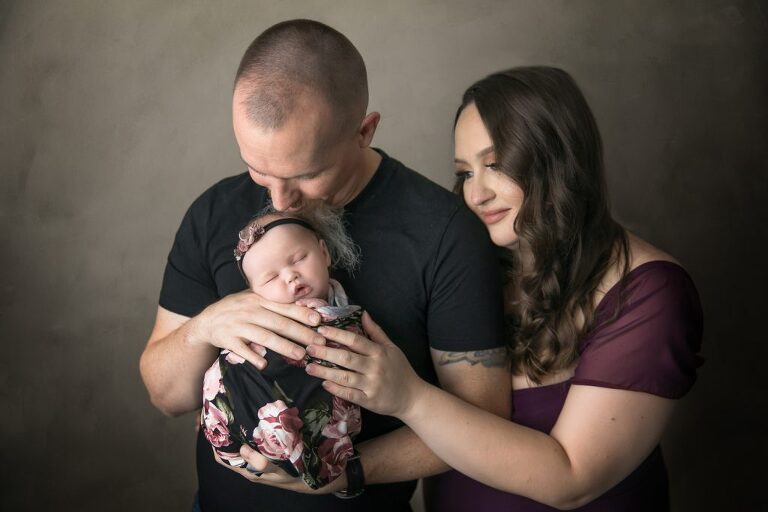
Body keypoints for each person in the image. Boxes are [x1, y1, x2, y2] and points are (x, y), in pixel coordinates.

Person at [139, 19, 511, 512]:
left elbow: (484, 422)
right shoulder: (213, 212)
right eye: (259, 170)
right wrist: (208, 325)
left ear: (364, 130)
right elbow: (166, 396)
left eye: (306, 175)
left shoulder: (446, 235)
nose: (279, 200)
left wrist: (345, 472)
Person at [308, 66, 704, 511]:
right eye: (465, 173)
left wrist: (406, 401)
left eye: (495, 164)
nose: (476, 194)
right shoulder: (471, 267)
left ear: (558, 158)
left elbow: (571, 479)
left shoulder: (648, 292)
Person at [201, 208, 365, 490]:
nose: (290, 276)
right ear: (254, 294)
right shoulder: (254, 315)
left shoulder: (343, 309)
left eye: (300, 258)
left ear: (324, 252)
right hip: (245, 402)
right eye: (270, 278)